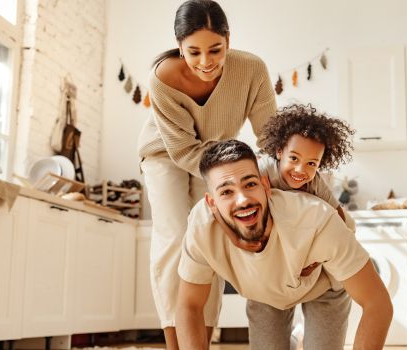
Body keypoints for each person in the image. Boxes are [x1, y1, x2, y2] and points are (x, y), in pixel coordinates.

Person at [136, 0, 277, 348]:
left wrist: (281, 173)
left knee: (208, 239)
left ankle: (201, 338)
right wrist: (229, 175)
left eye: (215, 49)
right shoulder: (162, 78)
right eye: (194, 52)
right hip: (165, 154)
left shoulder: (252, 69)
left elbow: (269, 136)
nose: (205, 62)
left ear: (229, 40)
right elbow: (182, 150)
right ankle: (174, 338)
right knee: (173, 236)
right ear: (179, 45)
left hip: (216, 157)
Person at [176, 140, 393, 350]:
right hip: (264, 292)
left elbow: (377, 303)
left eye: (250, 184)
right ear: (212, 204)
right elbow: (189, 306)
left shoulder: (316, 219)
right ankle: (295, 337)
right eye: (226, 192)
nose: (242, 200)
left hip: (322, 286)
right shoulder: (201, 227)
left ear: (265, 186)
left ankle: (303, 336)